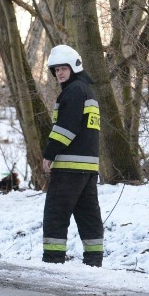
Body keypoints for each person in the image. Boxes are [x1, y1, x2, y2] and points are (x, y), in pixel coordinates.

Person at [41, 44, 104, 267]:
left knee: (56, 213)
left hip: (69, 166)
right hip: (88, 168)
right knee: (88, 215)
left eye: (63, 69)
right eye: (56, 69)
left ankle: (52, 260)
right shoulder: (88, 91)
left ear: (74, 67)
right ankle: (94, 261)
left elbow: (65, 129)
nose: (59, 73)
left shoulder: (73, 91)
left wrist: (49, 154)